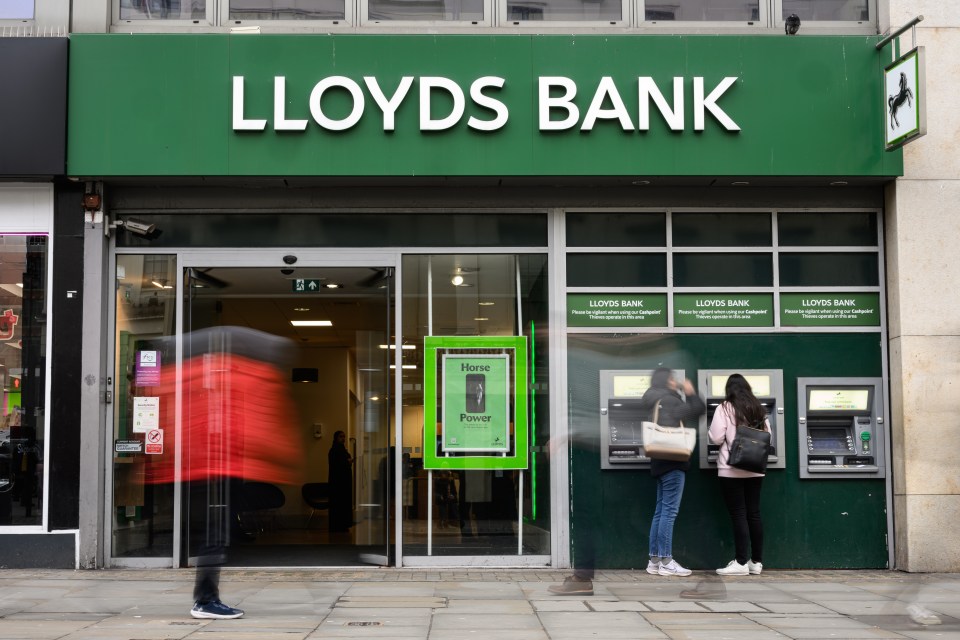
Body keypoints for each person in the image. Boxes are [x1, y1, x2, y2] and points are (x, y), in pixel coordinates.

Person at [639, 367, 705, 577]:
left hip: (659, 461)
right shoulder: (669, 400)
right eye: (671, 378)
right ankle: (667, 561)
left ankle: (654, 560)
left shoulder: (654, 400)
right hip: (673, 461)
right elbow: (698, 409)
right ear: (666, 381)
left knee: (660, 512)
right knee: (669, 512)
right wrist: (690, 392)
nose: (674, 381)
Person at [708, 373, 771, 576]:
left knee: (738, 514)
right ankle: (756, 562)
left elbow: (716, 437)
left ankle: (741, 562)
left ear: (729, 390)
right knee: (754, 513)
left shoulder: (724, 407)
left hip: (731, 469)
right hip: (755, 468)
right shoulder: (758, 408)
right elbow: (767, 436)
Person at [328, 430, 354, 532]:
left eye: (344, 437)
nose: (343, 439)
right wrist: (347, 462)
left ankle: (344, 525)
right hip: (337, 484)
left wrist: (348, 461)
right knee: (338, 504)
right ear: (336, 438)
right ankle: (337, 526)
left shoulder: (343, 450)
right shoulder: (334, 450)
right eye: (340, 437)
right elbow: (336, 465)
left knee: (344, 503)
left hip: (345, 483)